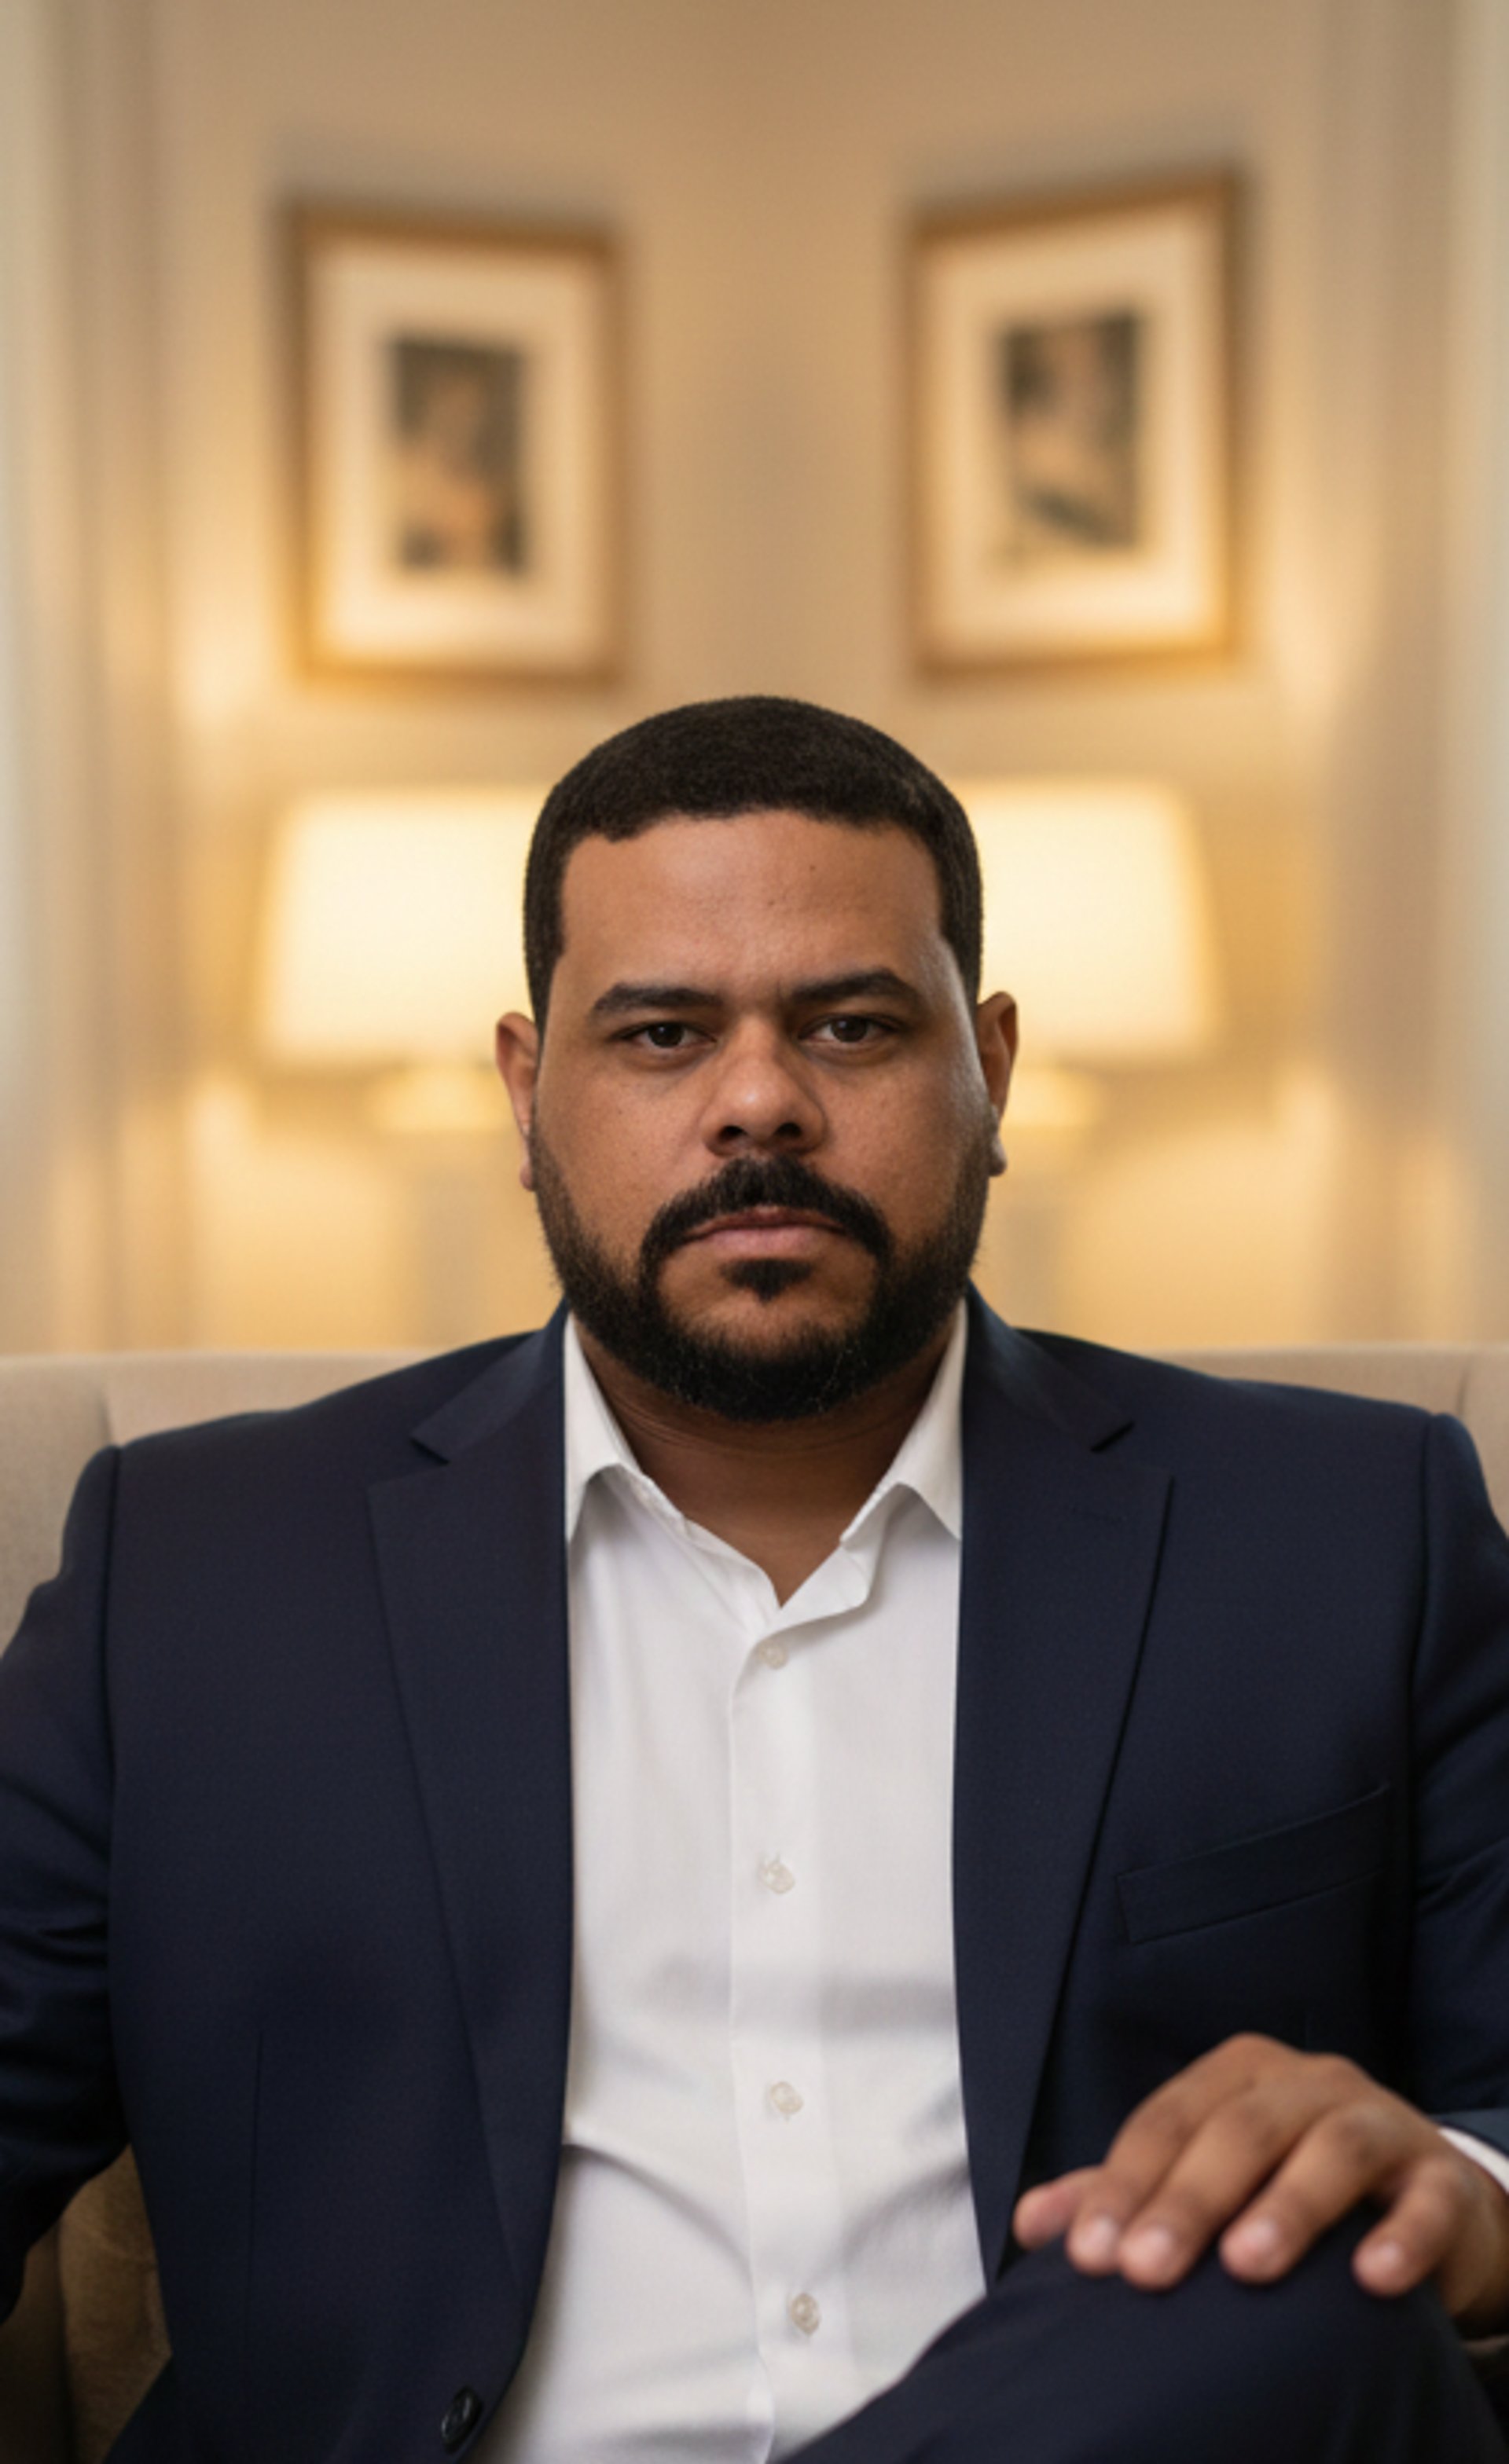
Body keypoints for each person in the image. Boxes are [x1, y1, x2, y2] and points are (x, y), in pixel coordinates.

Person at [2, 695, 1509, 2463]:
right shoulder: (197, 1571)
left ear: (992, 1069)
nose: (759, 1106)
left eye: (853, 1025)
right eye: (658, 1033)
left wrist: (1470, 2192)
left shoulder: (1346, 1530)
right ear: (524, 1088)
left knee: (1276, 2280)